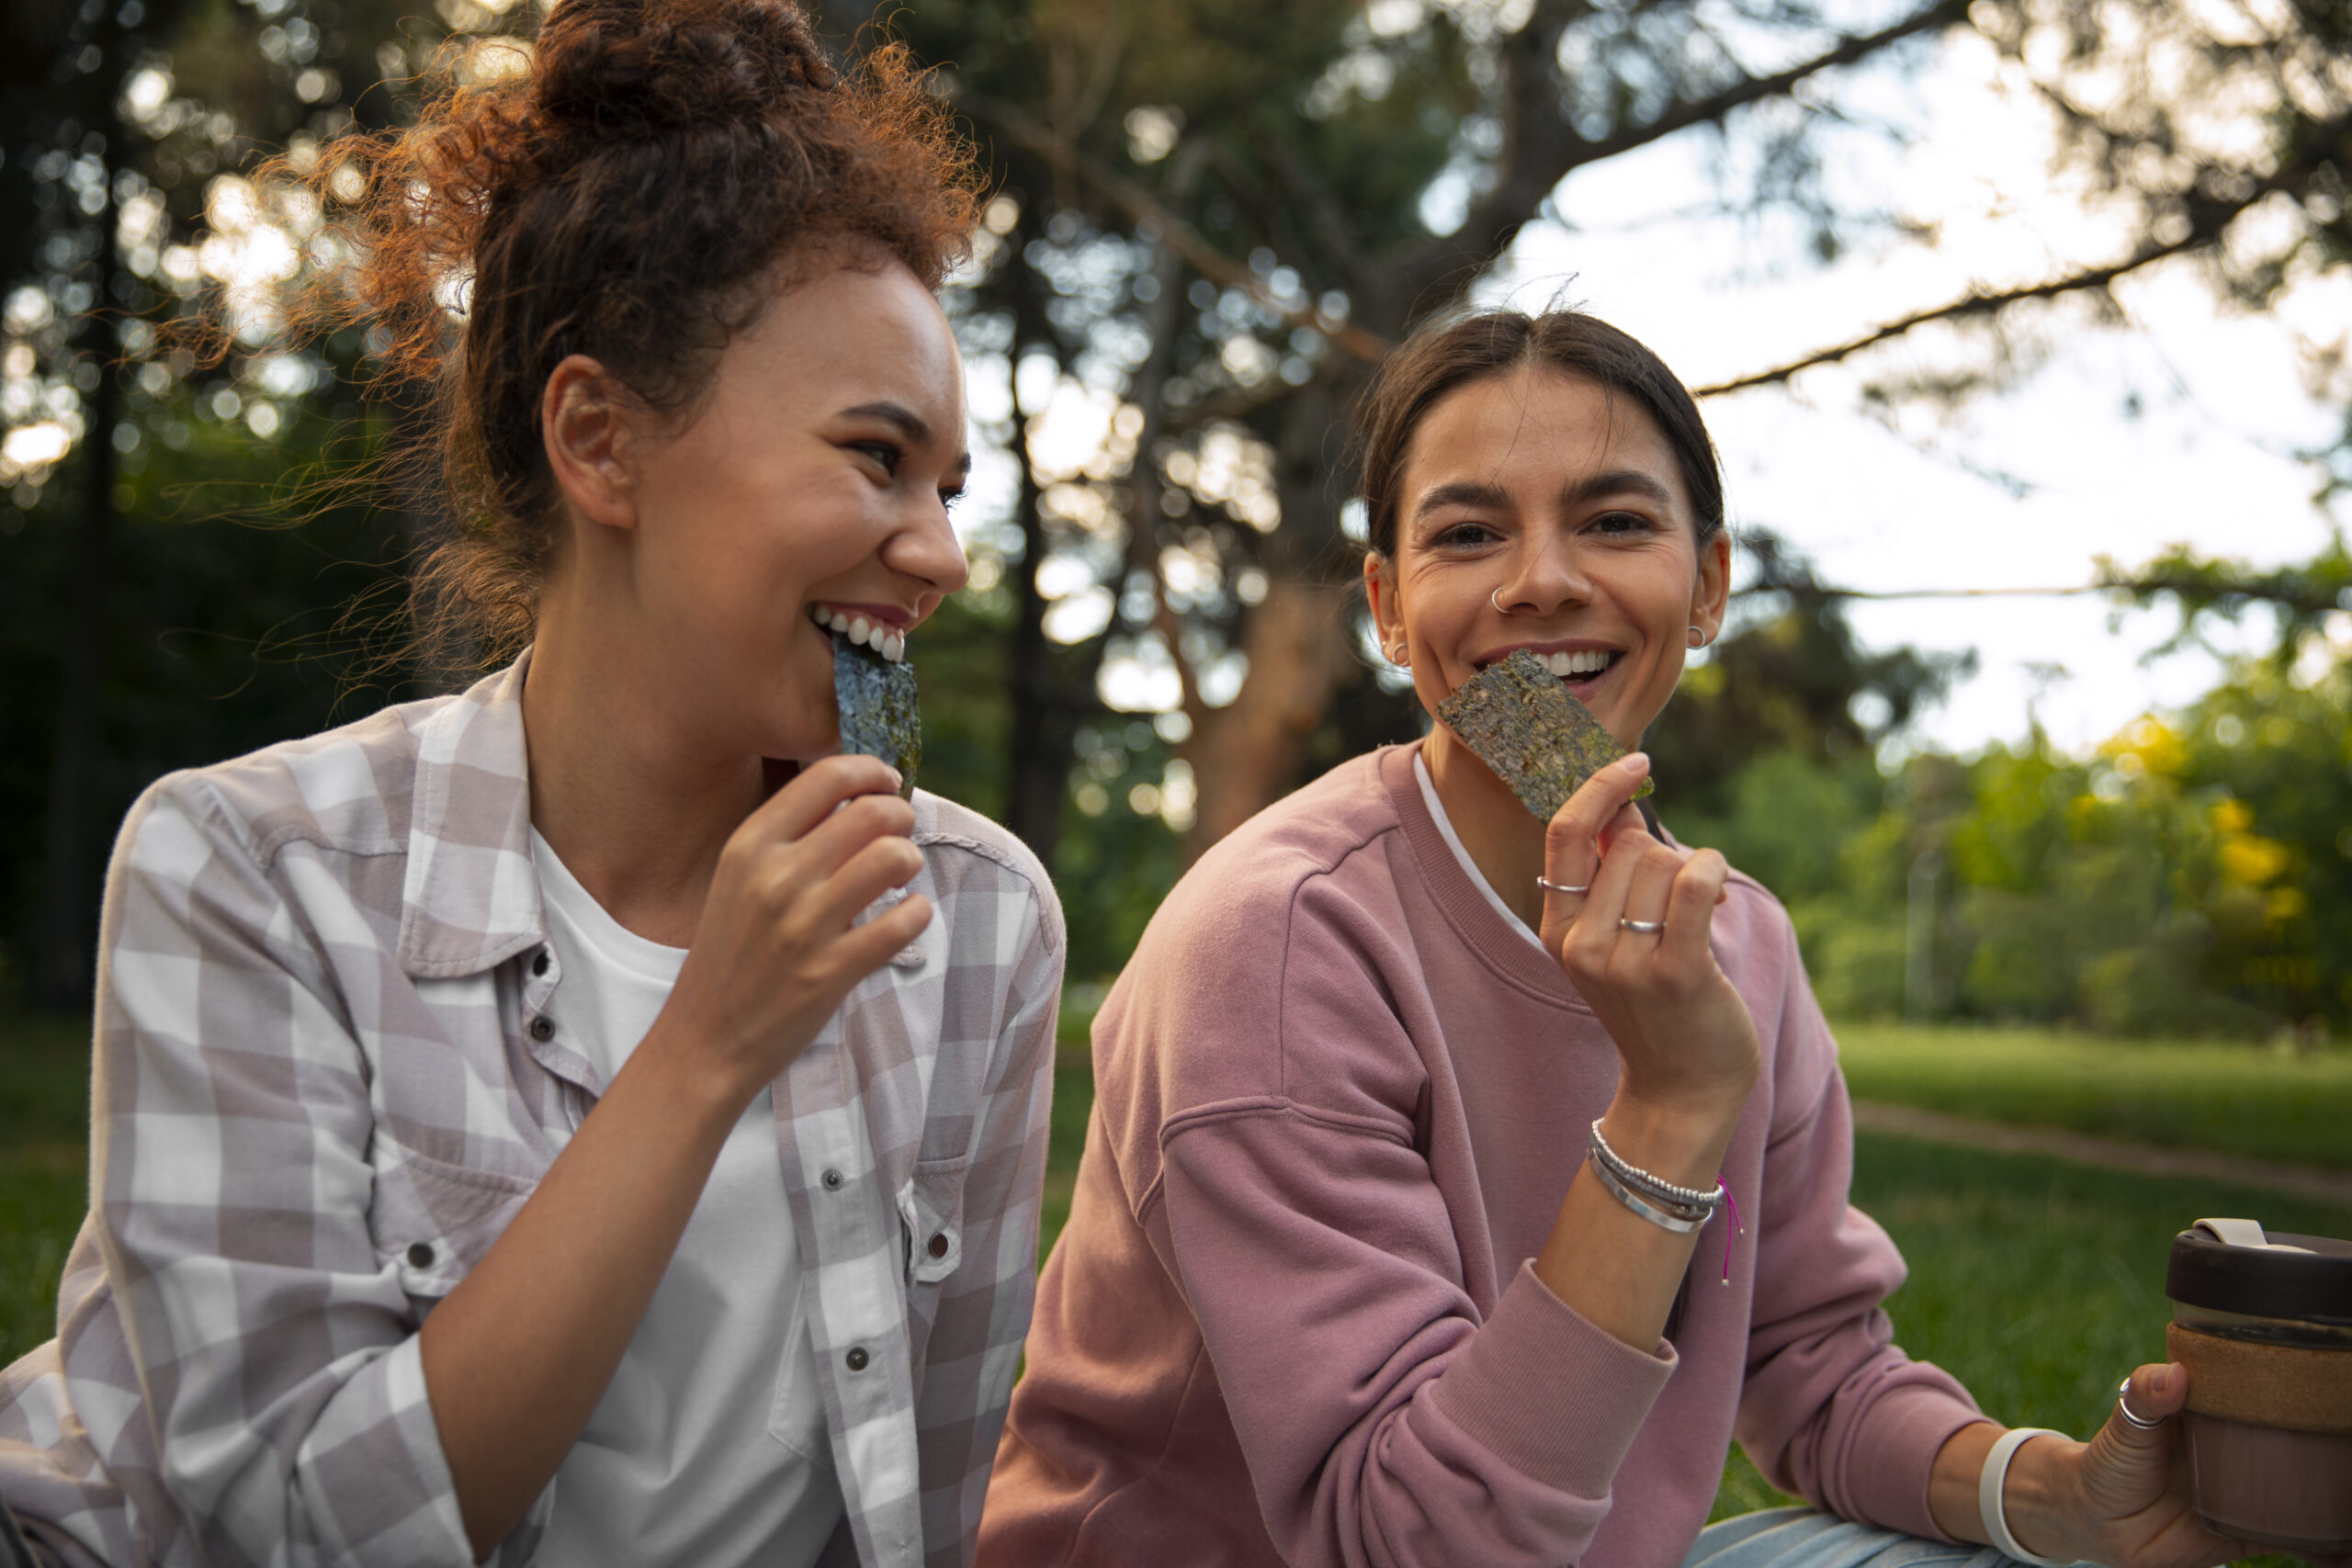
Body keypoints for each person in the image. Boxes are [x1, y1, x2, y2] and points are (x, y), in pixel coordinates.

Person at [0, 3, 1062, 1564]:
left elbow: (918, 1516)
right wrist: (710, 1042)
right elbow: (292, 1529)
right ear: (599, 441)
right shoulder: (253, 873)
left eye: (951, 489)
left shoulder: (973, 924)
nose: (943, 554)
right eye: (874, 458)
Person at [978, 309, 2258, 1568]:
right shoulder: (1275, 940)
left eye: (1614, 522)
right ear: (1388, 605)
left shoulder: (1739, 945)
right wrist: (1670, 1109)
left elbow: (1810, 1364)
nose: (1542, 580)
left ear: (1706, 587)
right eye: (1469, 534)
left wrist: (2056, 1497)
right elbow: (1418, 1542)